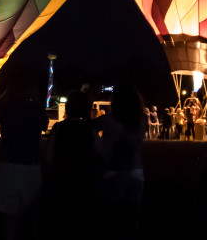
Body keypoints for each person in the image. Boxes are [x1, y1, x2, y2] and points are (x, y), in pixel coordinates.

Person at [0, 86, 47, 240]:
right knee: (34, 217)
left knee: (10, 222)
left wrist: (7, 92)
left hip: (8, 165)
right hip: (31, 166)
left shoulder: (7, 108)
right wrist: (35, 99)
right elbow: (44, 125)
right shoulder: (37, 109)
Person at [95, 84, 145, 238]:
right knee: (132, 219)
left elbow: (106, 152)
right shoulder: (140, 122)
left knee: (113, 221)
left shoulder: (111, 124)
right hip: (137, 172)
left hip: (115, 172)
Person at [44, 90, 98, 234]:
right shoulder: (89, 129)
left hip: (61, 179)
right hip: (84, 181)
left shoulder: (58, 128)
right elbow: (99, 152)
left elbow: (48, 156)